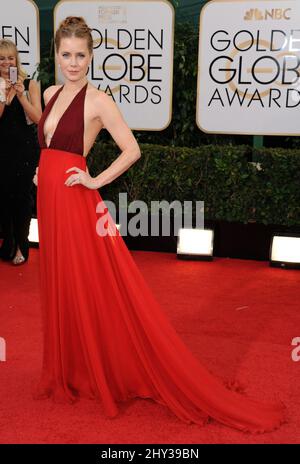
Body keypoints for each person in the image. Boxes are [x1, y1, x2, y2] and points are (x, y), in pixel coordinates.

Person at [33, 16, 286, 433]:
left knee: (90, 282)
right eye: (66, 55)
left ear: (92, 56)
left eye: (80, 55)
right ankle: (70, 369)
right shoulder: (49, 92)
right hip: (49, 199)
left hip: (76, 202)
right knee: (59, 281)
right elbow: (49, 144)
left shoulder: (99, 100)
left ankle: (102, 366)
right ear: (56, 54)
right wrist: (40, 172)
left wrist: (94, 179)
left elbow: (131, 149)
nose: (73, 63)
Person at [0, 39, 42, 265]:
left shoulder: (30, 83)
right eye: (1, 59)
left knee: (22, 199)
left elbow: (38, 119)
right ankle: (7, 244)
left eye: (10, 57)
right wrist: (3, 95)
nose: (6, 62)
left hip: (25, 150)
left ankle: (21, 247)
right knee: (3, 198)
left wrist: (21, 96)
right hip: (1, 150)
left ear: (16, 59)